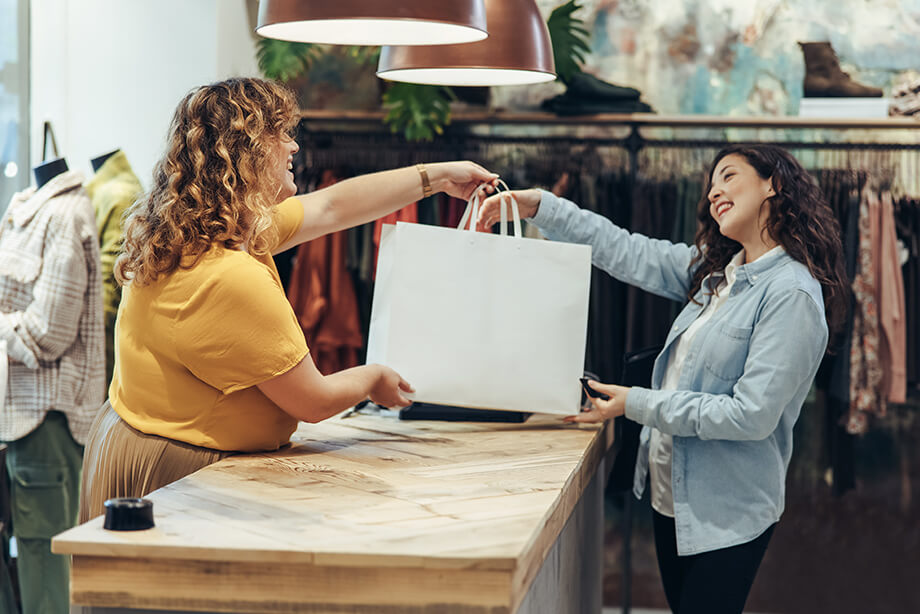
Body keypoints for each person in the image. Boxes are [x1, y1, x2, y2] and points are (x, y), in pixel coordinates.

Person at [79, 77, 498, 522]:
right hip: (178, 474)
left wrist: (438, 176)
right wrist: (373, 377)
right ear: (244, 152)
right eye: (280, 133)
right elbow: (312, 401)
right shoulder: (230, 275)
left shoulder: (195, 234)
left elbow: (332, 207)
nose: (293, 147)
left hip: (132, 440)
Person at [477, 144, 847, 614]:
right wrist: (540, 207)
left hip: (726, 511)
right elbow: (624, 249)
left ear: (772, 184)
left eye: (729, 176)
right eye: (711, 184)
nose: (715, 191)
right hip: (671, 499)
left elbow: (751, 416)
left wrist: (636, 402)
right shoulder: (718, 274)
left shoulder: (791, 294)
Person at [1, 156, 104, 613]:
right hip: (20, 417)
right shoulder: (23, 208)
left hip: (46, 420)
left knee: (45, 560)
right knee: (30, 554)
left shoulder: (66, 215)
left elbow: (49, 333)